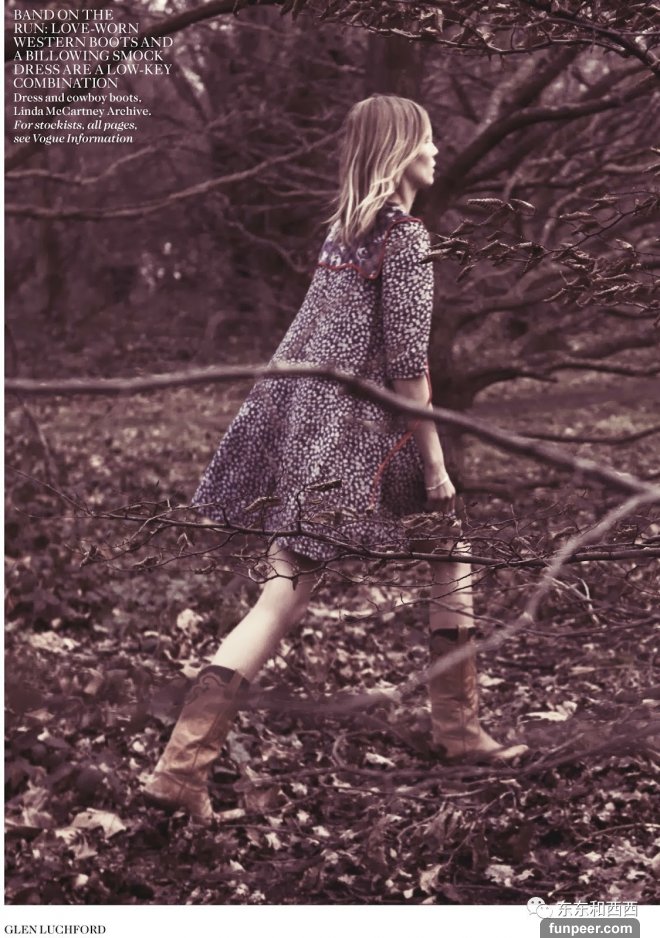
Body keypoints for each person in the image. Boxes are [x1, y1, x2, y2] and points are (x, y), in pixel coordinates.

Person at [144, 94, 527, 821]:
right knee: (286, 594)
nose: (437, 150)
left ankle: (458, 730)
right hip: (358, 440)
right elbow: (409, 366)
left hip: (325, 429)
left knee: (442, 548)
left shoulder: (344, 235)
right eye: (427, 139)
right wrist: (437, 464)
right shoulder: (405, 240)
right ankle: (181, 767)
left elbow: (317, 345)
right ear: (401, 150)